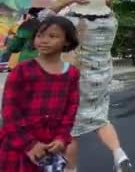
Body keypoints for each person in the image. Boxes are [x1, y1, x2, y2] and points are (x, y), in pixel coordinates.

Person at [42, 0, 133, 171]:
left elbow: (43, 15)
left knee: (70, 130)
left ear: (82, 5)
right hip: (102, 76)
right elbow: (108, 9)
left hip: (76, 80)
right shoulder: (111, 21)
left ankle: (70, 169)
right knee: (100, 118)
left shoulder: (71, 22)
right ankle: (119, 155)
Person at [0, 16, 80, 171]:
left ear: (67, 41)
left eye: (52, 36)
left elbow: (71, 108)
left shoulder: (71, 74)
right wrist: (30, 144)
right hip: (19, 145)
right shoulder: (22, 70)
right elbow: (10, 111)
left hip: (51, 146)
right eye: (40, 35)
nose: (44, 40)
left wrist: (61, 137)